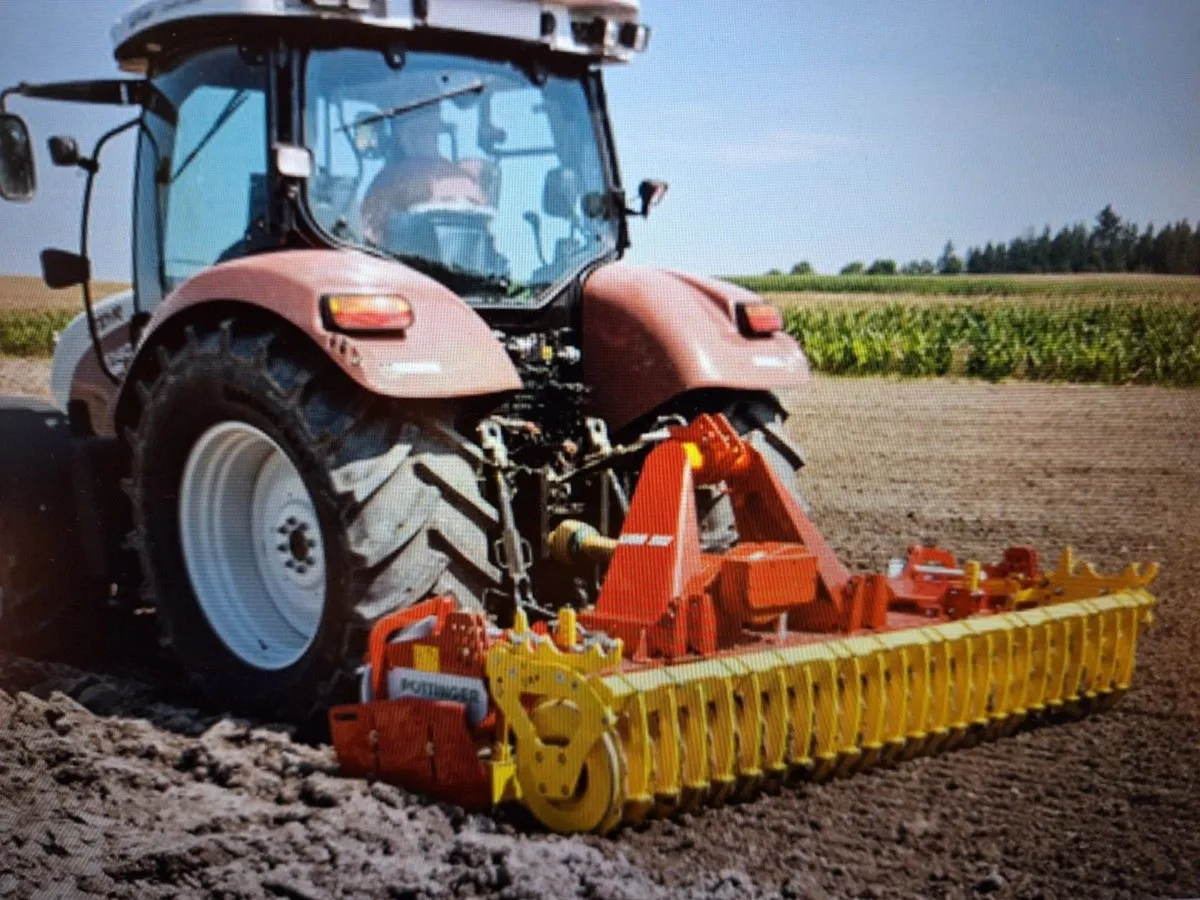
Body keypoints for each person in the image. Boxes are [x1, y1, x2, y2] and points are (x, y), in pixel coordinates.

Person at [360, 87, 492, 248]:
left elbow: (369, 238)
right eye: (409, 122)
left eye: (426, 119)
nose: (421, 129)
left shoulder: (388, 182)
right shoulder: (466, 180)